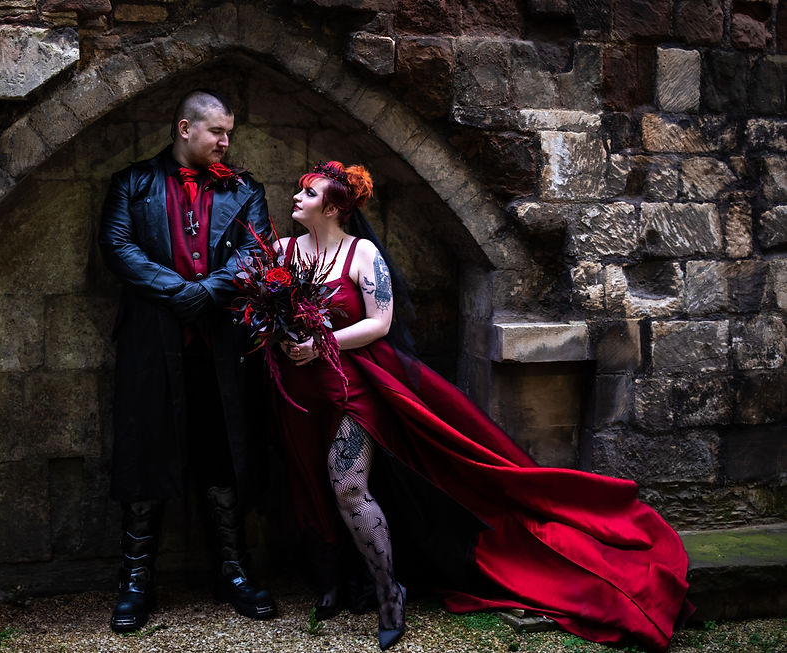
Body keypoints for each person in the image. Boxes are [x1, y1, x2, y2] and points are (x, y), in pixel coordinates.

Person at [270, 160, 692, 651]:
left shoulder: (361, 254)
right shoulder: (282, 252)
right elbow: (269, 309)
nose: (297, 197)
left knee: (347, 486)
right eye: (299, 190)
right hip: (297, 391)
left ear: (336, 206)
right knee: (308, 482)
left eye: (309, 191)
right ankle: (334, 579)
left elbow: (379, 323)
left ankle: (389, 593)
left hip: (353, 389)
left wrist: (322, 344)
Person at [99, 88, 276, 633]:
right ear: (185, 129)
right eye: (217, 131)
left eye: (229, 133)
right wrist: (180, 291)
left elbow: (258, 252)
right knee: (145, 456)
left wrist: (209, 293)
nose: (226, 142)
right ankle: (136, 580)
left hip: (220, 349)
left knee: (222, 456)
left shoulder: (245, 190)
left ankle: (232, 569)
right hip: (152, 345)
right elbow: (117, 247)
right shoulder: (132, 182)